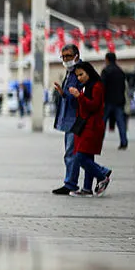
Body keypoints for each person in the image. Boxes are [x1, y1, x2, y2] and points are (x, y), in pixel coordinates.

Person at [66, 62, 112, 197]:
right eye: (77, 75)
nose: (79, 78)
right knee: (87, 156)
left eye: (81, 74)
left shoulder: (97, 86)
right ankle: (87, 189)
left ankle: (102, 173)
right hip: (84, 125)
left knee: (80, 156)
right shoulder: (86, 86)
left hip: (92, 126)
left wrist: (79, 97)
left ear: (89, 72)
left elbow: (93, 106)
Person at [51, 44, 82, 195]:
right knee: (72, 153)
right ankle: (71, 182)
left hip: (76, 118)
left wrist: (65, 94)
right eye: (63, 57)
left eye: (68, 56)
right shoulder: (70, 71)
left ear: (76, 55)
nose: (65, 59)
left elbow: (79, 95)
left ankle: (71, 183)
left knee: (72, 153)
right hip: (69, 118)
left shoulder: (80, 72)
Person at [100, 52, 128, 150]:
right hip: (119, 101)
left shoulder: (106, 71)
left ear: (107, 59)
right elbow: (123, 87)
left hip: (107, 101)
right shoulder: (120, 71)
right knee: (121, 123)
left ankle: (98, 142)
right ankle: (124, 142)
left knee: (102, 123)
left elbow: (101, 87)